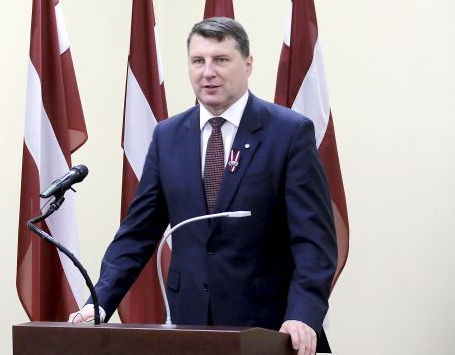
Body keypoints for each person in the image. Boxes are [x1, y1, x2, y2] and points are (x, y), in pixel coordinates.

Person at [69, 18, 337, 355]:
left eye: (221, 60)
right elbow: (137, 233)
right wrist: (100, 302)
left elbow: (314, 240)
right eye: (198, 61)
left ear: (248, 64)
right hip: (189, 325)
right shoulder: (167, 136)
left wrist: (303, 314)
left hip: (268, 327)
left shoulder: (288, 133)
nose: (208, 72)